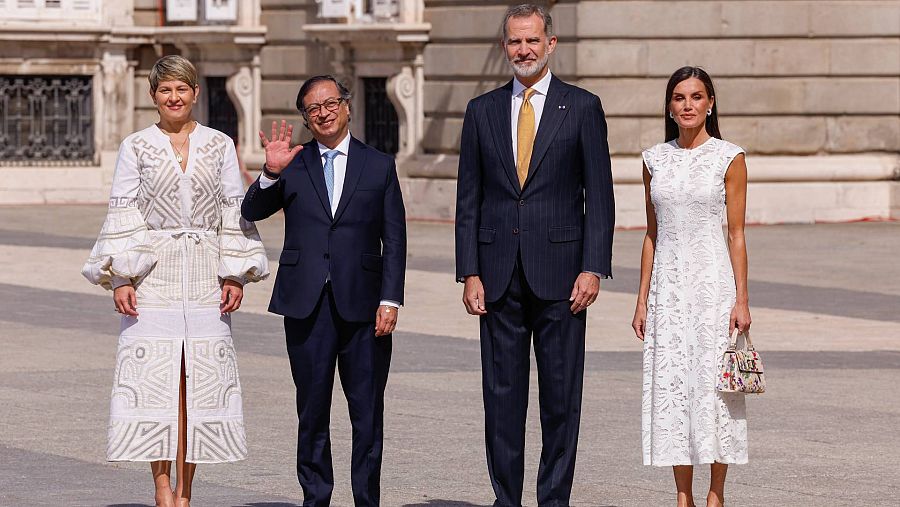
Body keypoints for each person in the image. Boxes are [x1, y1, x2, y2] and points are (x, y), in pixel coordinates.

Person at [82, 55, 269, 507]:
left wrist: (234, 274)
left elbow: (232, 207)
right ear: (153, 96)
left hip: (206, 273)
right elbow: (122, 209)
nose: (174, 97)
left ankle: (186, 493)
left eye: (181, 88)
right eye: (165, 90)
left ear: (195, 92)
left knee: (197, 385)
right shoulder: (136, 146)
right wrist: (122, 276)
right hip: (153, 275)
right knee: (155, 382)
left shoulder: (220, 144)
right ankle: (162, 489)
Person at [454, 4, 615, 506]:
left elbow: (600, 197)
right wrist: (469, 271)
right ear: (505, 47)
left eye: (531, 41)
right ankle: (507, 498)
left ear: (551, 44)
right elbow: (468, 199)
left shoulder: (582, 107)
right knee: (501, 400)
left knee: (561, 399)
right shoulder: (482, 111)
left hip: (563, 276)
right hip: (498, 274)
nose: (522, 50)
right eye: (514, 42)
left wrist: (593, 266)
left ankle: (554, 499)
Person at [241, 75, 407, 506]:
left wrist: (390, 298)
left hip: (366, 305)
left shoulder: (379, 164)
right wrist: (269, 172)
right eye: (313, 108)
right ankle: (316, 497)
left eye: (330, 103)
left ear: (347, 106)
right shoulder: (293, 162)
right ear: (306, 118)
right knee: (312, 409)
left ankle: (366, 498)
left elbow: (396, 237)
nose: (323, 112)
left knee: (367, 412)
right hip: (306, 304)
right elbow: (252, 210)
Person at [632, 66, 751, 507]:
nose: (688, 105)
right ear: (670, 106)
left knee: (716, 386)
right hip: (668, 289)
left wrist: (742, 299)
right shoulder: (653, 160)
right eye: (680, 98)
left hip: (714, 285)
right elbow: (651, 233)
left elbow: (736, 233)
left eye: (697, 97)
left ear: (710, 104)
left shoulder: (729, 157)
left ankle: (715, 494)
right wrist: (642, 299)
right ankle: (682, 496)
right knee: (674, 386)